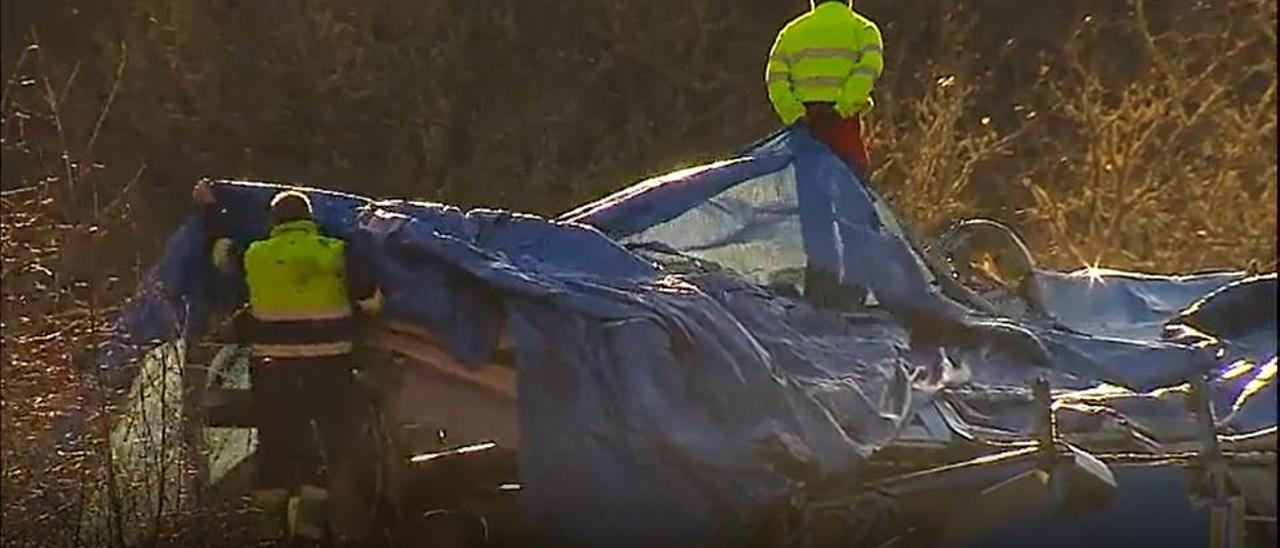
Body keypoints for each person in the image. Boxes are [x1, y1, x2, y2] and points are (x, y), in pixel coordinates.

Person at [192, 182, 381, 546]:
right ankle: (309, 533)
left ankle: (268, 531)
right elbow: (371, 303)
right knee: (329, 447)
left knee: (275, 448)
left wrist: (211, 210)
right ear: (310, 219)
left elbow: (219, 253)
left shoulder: (254, 254)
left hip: (272, 369)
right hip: (329, 369)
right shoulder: (337, 251)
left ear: (273, 221)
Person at [765, 0, 883, 179]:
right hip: (844, 123)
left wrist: (794, 114)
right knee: (851, 187)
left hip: (805, 127)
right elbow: (868, 71)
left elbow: (775, 78)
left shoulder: (790, 32)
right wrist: (842, 108)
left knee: (811, 188)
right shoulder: (864, 30)